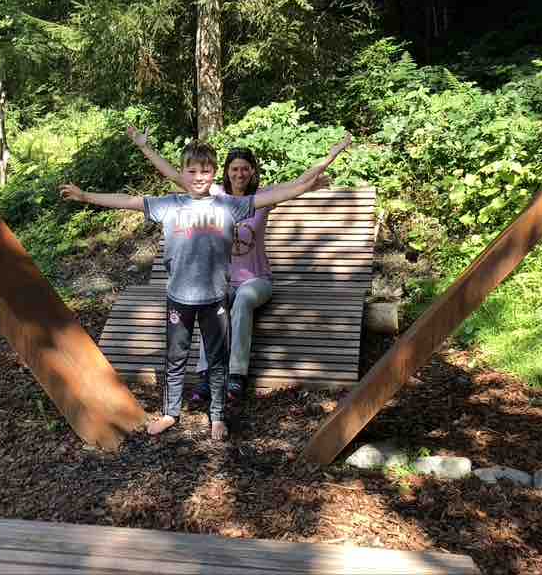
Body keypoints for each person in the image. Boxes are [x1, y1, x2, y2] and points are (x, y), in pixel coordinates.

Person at [59, 139, 332, 441]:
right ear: (183, 173)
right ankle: (169, 413)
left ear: (215, 173)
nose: (199, 176)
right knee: (175, 359)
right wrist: (85, 196)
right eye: (192, 171)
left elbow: (283, 192)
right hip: (178, 299)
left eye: (205, 171)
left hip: (215, 298)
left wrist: (319, 172)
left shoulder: (231, 205)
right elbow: (128, 200)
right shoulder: (169, 205)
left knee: (217, 361)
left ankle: (217, 416)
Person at [126, 126, 352, 404]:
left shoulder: (262, 199)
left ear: (253, 172)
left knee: (242, 299)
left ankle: (236, 376)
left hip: (257, 281)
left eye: (245, 169)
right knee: (213, 303)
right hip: (222, 281)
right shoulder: (216, 195)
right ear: (226, 172)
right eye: (234, 169)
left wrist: (330, 156)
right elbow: (173, 173)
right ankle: (207, 376)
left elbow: (299, 182)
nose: (239, 174)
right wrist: (145, 147)